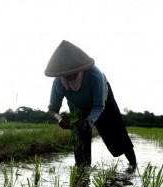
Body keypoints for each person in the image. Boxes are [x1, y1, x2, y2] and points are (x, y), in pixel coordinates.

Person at [45, 40, 137, 169]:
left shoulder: (95, 76)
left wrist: (89, 122)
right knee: (80, 139)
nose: (69, 77)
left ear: (80, 69)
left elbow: (99, 106)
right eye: (65, 76)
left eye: (72, 74)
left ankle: (133, 165)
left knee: (117, 133)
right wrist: (60, 118)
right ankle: (82, 172)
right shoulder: (58, 83)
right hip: (78, 109)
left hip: (103, 103)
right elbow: (52, 109)